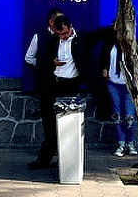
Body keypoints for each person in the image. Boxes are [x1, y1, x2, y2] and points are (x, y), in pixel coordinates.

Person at [28, 14, 84, 169]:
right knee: (51, 124)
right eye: (59, 34)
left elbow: (98, 35)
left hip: (71, 85)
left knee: (70, 124)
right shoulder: (50, 40)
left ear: (70, 27)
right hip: (53, 85)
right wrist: (51, 62)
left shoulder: (79, 39)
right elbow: (38, 60)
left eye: (65, 33)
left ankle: (68, 159)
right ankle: (45, 158)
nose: (62, 36)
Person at [24, 8, 63, 169]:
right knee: (48, 122)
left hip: (63, 86)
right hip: (46, 87)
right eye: (58, 20)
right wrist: (45, 67)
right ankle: (46, 156)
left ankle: (60, 155)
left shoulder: (66, 37)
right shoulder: (39, 37)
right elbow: (29, 58)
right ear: (51, 22)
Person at [101, 37, 138, 157]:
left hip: (128, 84)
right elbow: (103, 58)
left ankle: (130, 143)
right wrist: (105, 69)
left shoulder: (135, 44)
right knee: (117, 114)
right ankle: (121, 144)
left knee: (129, 115)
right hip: (113, 82)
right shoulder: (110, 43)